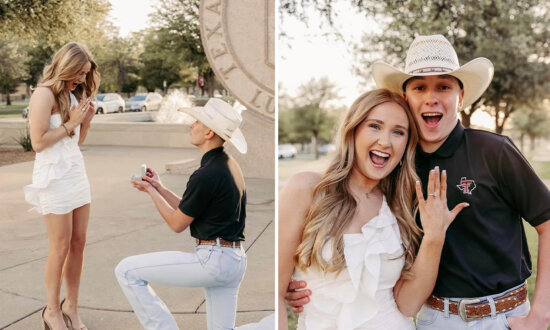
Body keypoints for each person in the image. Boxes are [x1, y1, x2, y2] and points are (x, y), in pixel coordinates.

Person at [286, 34, 550, 330]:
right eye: (420, 87)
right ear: (406, 99)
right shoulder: (393, 170)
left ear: (460, 98)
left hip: (503, 316)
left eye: (444, 86)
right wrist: (301, 282)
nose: (431, 97)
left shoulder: (494, 151)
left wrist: (540, 315)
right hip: (432, 319)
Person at [279, 89, 468, 329]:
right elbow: (276, 290)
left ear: (406, 147)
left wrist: (434, 235)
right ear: (353, 130)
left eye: (398, 132)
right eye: (375, 126)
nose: (385, 142)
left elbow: (408, 305)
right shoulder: (307, 189)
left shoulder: (399, 207)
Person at [115, 98, 248, 330]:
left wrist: (149, 191)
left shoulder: (205, 174)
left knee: (126, 270)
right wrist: (159, 187)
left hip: (213, 260)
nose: (191, 125)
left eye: (196, 121)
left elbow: (177, 223)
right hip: (234, 260)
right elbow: (191, 209)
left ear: (208, 132)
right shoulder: (228, 165)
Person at [24, 42, 99, 330]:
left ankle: (72, 306)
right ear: (65, 65)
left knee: (79, 243)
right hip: (54, 178)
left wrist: (85, 122)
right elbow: (38, 143)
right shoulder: (43, 94)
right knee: (60, 245)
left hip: (75, 174)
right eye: (79, 72)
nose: (81, 79)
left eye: (85, 74)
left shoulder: (72, 94)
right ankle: (52, 311)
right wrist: (72, 123)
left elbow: (72, 144)